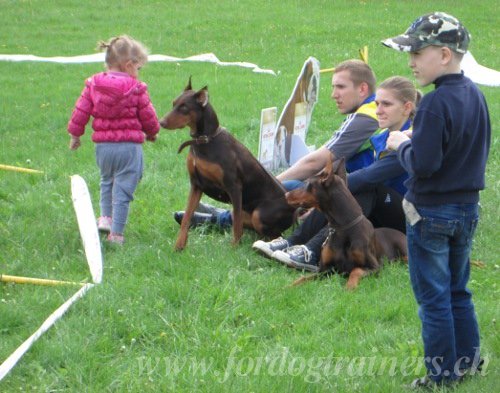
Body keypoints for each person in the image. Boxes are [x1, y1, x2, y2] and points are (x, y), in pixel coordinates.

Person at [382, 12, 490, 388]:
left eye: (417, 52)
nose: (410, 61)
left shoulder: (433, 103)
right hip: (467, 209)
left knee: (433, 298)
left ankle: (442, 376)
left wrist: (402, 144)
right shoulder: (475, 95)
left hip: (430, 214)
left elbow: (424, 166)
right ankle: (469, 362)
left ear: (444, 55)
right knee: (458, 289)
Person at [173, 59, 379, 227]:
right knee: (293, 186)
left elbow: (315, 162)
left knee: (284, 189)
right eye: (333, 87)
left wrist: (270, 182)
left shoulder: (366, 117)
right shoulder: (370, 111)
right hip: (360, 187)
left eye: (341, 87)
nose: (334, 94)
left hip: (365, 195)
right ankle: (227, 213)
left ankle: (219, 220)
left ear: (362, 89)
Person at [254, 76, 420, 271]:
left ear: (407, 107)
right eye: (377, 103)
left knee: (364, 189)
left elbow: (368, 177)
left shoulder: (410, 141)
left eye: (386, 104)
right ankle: (294, 243)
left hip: (411, 220)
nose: (378, 110)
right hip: (380, 213)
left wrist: (319, 192)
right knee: (346, 190)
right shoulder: (383, 137)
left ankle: (311, 250)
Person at [67, 35, 160, 245]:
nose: (138, 72)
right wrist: (153, 132)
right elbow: (148, 115)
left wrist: (75, 135)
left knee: (106, 181)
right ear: (129, 65)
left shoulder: (93, 84)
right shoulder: (136, 88)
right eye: (138, 67)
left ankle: (105, 218)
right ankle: (116, 234)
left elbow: (81, 110)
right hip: (129, 148)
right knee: (124, 190)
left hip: (103, 148)